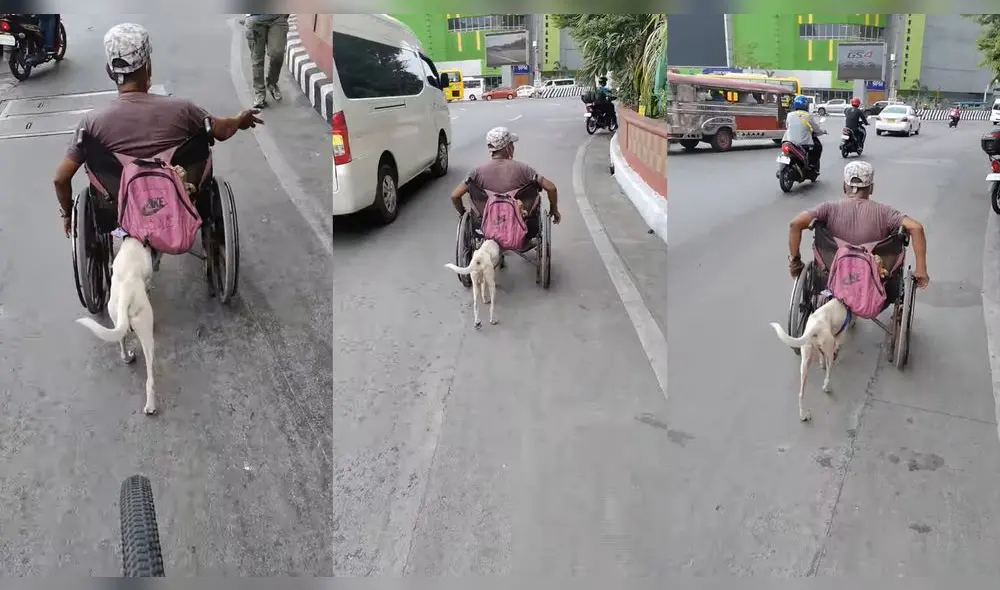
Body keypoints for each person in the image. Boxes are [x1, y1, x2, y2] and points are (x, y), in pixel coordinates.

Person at [53, 23, 263, 238]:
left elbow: (60, 178)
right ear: (149, 67)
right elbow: (221, 130)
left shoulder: (91, 123)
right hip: (181, 195)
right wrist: (239, 120)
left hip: (118, 205)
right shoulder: (184, 110)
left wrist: (68, 213)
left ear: (110, 71)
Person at [786, 161, 929, 290]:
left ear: (844, 186)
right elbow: (916, 228)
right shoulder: (885, 213)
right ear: (871, 188)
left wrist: (795, 261)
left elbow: (795, 224)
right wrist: (921, 270)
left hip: (831, 274)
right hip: (874, 279)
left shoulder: (827, 209)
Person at [450, 127, 561, 237]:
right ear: (508, 148)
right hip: (523, 227)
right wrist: (554, 210)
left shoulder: (476, 173)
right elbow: (551, 188)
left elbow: (455, 195)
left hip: (485, 227)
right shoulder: (525, 170)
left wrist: (462, 212)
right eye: (511, 144)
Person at [244, 14, 289, 108]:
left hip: (277, 17)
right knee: (257, 59)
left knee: (277, 54)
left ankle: (272, 83)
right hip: (255, 17)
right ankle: (259, 93)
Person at [781, 95, 826, 174]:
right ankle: (812, 165)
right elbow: (816, 129)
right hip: (803, 143)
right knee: (818, 147)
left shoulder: (789, 115)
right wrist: (823, 131)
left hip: (788, 140)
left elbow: (787, 126)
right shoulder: (808, 115)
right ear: (805, 105)